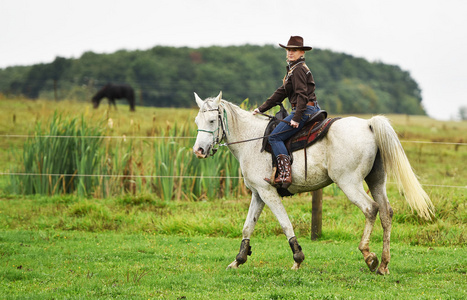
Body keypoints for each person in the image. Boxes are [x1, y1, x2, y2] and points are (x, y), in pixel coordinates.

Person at [253, 36, 320, 188]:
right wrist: (261, 108)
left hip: (304, 110)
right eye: (288, 50)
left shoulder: (298, 70)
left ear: (302, 52)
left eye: (294, 50)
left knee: (275, 137)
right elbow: (281, 92)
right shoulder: (293, 69)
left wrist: (296, 117)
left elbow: (302, 95)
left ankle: (285, 173)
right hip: (307, 108)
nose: (290, 52)